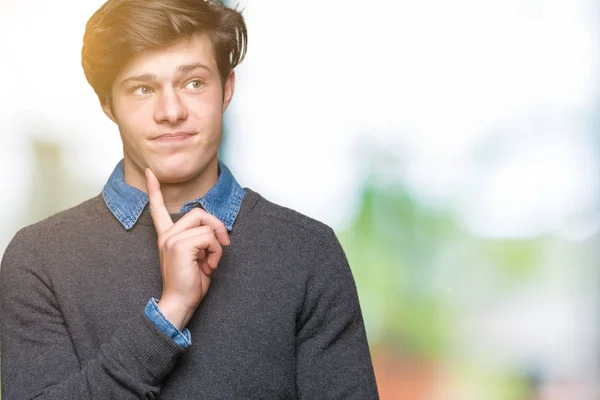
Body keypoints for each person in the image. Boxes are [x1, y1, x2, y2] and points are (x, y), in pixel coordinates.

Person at [0, 0, 379, 398]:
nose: (171, 111)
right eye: (143, 89)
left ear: (227, 88)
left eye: (193, 83)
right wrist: (168, 315)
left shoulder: (306, 252)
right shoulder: (39, 259)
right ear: (108, 104)